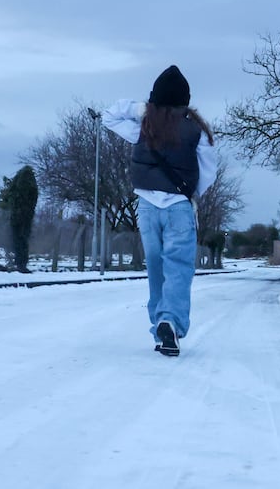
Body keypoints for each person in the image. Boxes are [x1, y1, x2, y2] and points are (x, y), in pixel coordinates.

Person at [104, 65, 217, 357]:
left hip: (147, 207)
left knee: (156, 267)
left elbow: (110, 115)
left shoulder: (143, 127)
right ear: (185, 101)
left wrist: (142, 109)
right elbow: (209, 173)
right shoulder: (197, 131)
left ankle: (159, 325)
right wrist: (190, 195)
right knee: (178, 268)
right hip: (178, 206)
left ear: (154, 99)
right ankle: (170, 321)